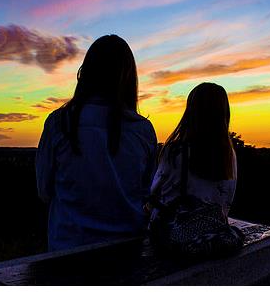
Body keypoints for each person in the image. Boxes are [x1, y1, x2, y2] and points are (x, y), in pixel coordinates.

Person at [36, 34, 157, 251]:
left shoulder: (59, 123)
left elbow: (44, 191)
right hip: (128, 251)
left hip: (67, 250)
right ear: (128, 78)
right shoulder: (143, 130)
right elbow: (147, 193)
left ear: (85, 73)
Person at [149, 82, 237, 222]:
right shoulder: (229, 154)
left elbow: (154, 191)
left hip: (174, 232)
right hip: (211, 231)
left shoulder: (176, 151)